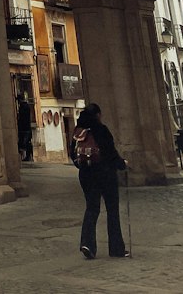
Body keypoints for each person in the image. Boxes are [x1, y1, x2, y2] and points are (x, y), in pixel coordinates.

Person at [71, 102, 128, 259]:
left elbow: (73, 155)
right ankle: (116, 248)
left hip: (86, 175)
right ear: (97, 115)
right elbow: (110, 152)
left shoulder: (78, 132)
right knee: (112, 210)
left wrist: (84, 167)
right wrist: (121, 164)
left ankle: (87, 243)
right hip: (105, 174)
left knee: (91, 208)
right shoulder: (101, 130)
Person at [16, 96, 33, 162]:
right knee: (27, 142)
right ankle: (28, 156)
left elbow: (22, 118)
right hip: (27, 127)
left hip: (24, 128)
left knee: (23, 143)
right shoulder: (27, 106)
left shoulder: (23, 107)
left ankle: (27, 156)